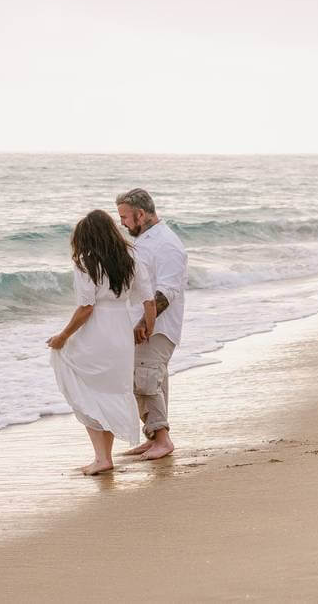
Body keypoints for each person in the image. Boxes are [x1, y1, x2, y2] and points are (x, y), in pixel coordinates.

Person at [47, 209, 157, 475]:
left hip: (96, 334)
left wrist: (62, 336)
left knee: (86, 388)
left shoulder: (86, 262)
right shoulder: (131, 258)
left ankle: (102, 458)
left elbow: (86, 307)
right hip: (120, 334)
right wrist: (147, 329)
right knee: (111, 391)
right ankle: (103, 458)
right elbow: (149, 301)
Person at [115, 188, 187, 460]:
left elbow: (168, 291)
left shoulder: (166, 244)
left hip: (158, 326)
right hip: (145, 323)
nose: (122, 222)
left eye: (125, 217)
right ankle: (155, 437)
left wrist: (146, 322)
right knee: (152, 380)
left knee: (144, 381)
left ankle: (163, 440)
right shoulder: (147, 240)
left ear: (141, 214)